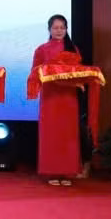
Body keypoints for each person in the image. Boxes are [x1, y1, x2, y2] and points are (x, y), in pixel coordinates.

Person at [31, 14, 82, 186]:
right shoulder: (42, 49)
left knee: (68, 134)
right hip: (50, 97)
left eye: (62, 27)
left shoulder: (73, 48)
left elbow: (79, 71)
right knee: (51, 133)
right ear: (49, 29)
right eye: (55, 28)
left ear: (66, 29)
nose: (59, 31)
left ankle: (67, 172)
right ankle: (52, 171)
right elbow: (35, 72)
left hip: (68, 96)